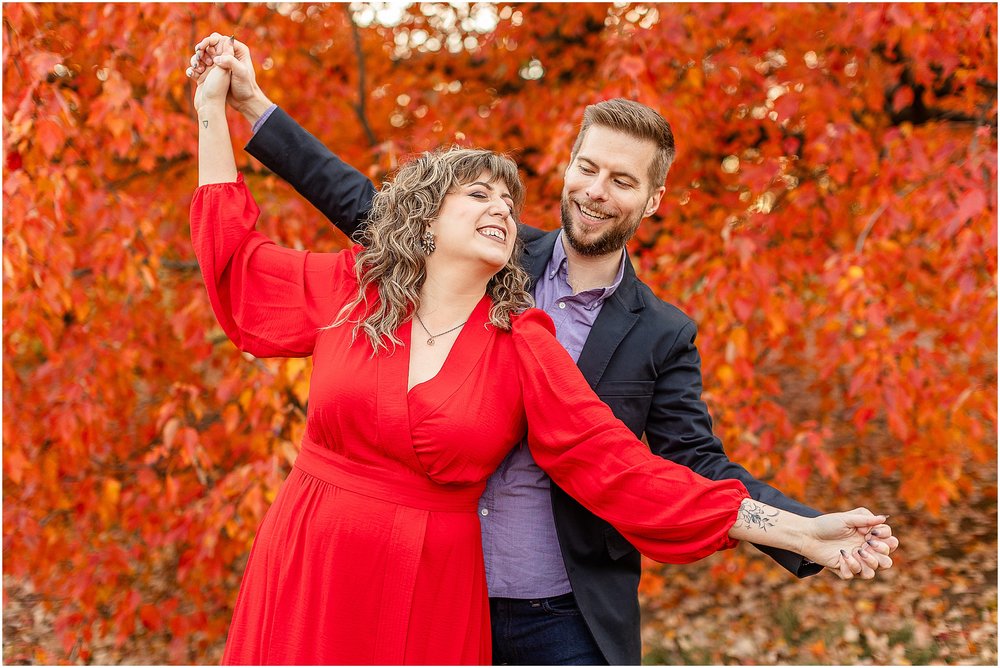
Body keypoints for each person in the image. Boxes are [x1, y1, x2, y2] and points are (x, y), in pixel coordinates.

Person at [186, 35, 899, 665]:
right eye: (587, 169)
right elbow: (301, 229)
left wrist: (799, 530)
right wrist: (241, 106)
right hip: (321, 568)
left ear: (651, 200)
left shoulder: (598, 335)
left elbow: (636, 467)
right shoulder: (397, 280)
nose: (594, 191)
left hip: (538, 608)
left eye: (622, 181)